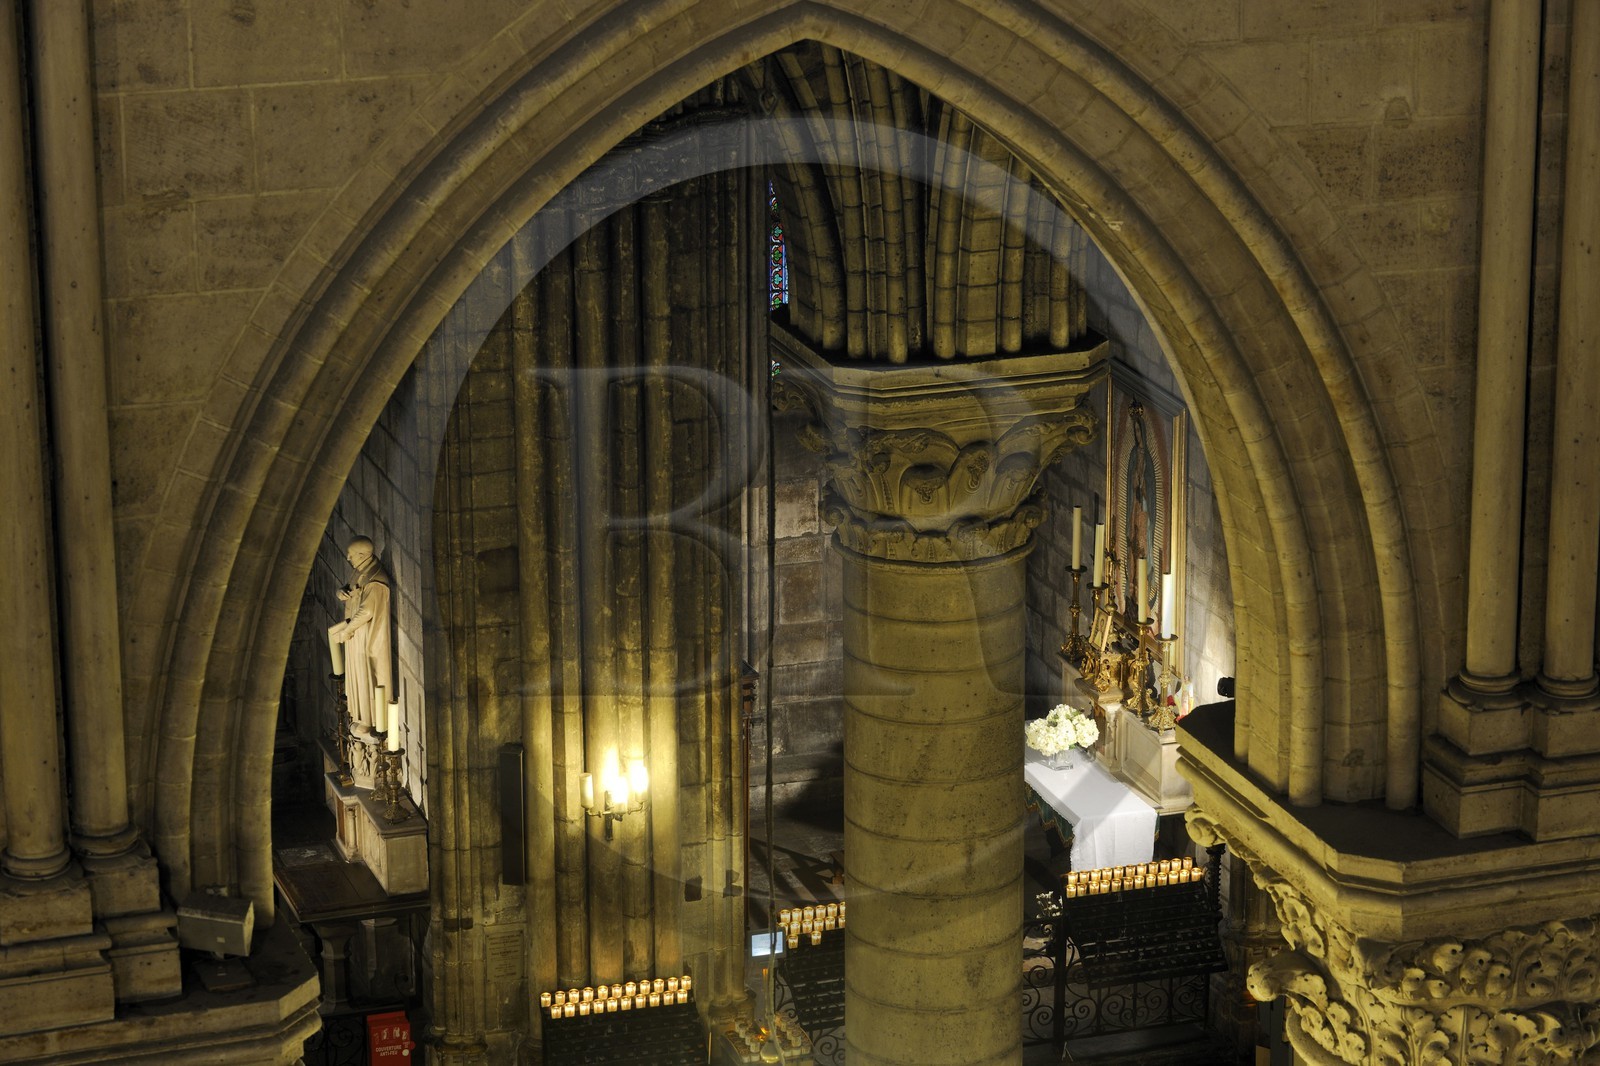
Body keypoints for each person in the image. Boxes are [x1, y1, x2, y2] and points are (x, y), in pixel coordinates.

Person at [328, 537, 393, 736]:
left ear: (363, 555)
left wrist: (346, 631)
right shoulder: (363, 569)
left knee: (366, 677)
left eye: (351, 555)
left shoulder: (375, 579)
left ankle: (368, 719)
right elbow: (351, 589)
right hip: (356, 637)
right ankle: (358, 716)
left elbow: (366, 612)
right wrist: (342, 592)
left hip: (366, 638)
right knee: (357, 676)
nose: (348, 558)